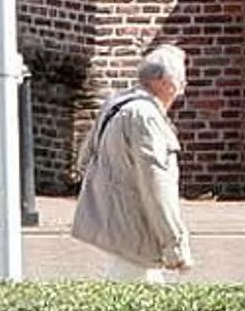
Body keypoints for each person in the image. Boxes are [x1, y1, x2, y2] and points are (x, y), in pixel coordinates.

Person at [70, 44, 193, 281]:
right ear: (164, 82)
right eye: (180, 81)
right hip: (138, 233)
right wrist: (176, 246)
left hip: (118, 228)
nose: (182, 89)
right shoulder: (146, 118)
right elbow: (157, 185)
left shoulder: (116, 104)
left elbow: (85, 159)